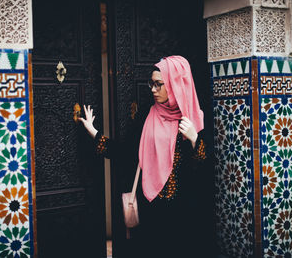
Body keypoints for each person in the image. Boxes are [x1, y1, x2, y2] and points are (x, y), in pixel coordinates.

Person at [80, 56, 207, 257]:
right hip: (151, 208)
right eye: (152, 83)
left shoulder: (193, 118)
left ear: (175, 83)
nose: (153, 90)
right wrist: (94, 133)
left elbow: (203, 170)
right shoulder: (147, 116)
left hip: (183, 212)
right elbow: (126, 153)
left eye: (159, 84)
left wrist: (194, 139)